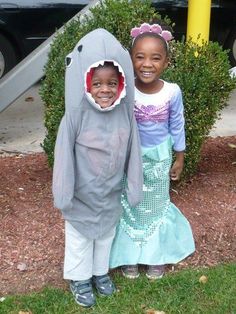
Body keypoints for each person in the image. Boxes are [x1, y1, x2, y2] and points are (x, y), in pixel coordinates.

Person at [52, 28, 143, 307]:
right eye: (98, 84)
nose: (105, 90)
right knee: (80, 239)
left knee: (105, 237)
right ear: (86, 84)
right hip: (81, 197)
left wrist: (133, 187)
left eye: (112, 84)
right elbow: (64, 157)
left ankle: (99, 273)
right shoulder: (75, 118)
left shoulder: (125, 116)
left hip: (109, 196)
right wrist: (63, 194)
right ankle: (79, 278)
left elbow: (134, 153)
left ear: (122, 84)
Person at [110, 23, 195, 280]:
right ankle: (129, 255)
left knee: (155, 205)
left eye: (155, 58)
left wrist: (179, 157)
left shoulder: (172, 92)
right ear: (131, 59)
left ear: (166, 62)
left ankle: (155, 255)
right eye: (140, 57)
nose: (147, 64)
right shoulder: (125, 90)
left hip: (160, 158)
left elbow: (177, 124)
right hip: (130, 158)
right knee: (131, 204)